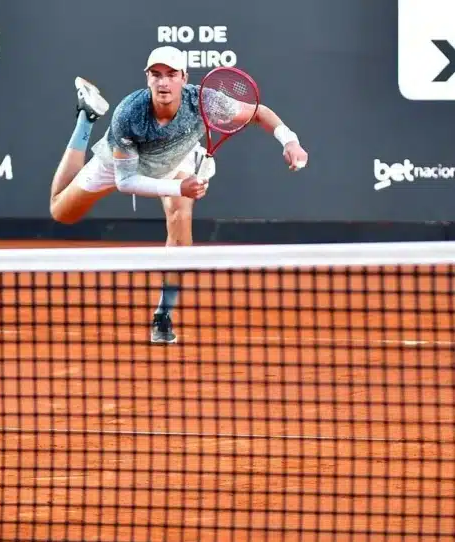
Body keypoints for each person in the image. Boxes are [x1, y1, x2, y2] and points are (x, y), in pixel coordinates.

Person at [48, 46, 309, 344]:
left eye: (171, 74)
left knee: (180, 221)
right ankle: (87, 117)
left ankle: (163, 313)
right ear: (147, 78)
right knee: (61, 211)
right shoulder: (129, 113)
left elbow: (258, 113)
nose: (163, 82)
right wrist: (178, 188)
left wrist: (290, 141)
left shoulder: (203, 101)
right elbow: (126, 181)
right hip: (124, 164)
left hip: (177, 159)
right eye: (156, 75)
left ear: (183, 78)